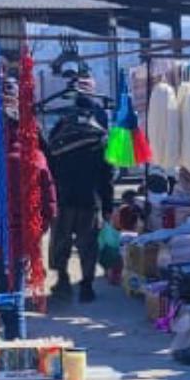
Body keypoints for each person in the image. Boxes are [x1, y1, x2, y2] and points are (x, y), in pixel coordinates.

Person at [41, 64, 115, 305]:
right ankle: (86, 286)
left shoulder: (60, 129)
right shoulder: (100, 135)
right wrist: (107, 204)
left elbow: (48, 162)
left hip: (63, 197)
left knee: (60, 241)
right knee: (87, 245)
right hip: (88, 199)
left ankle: (62, 281)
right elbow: (106, 173)